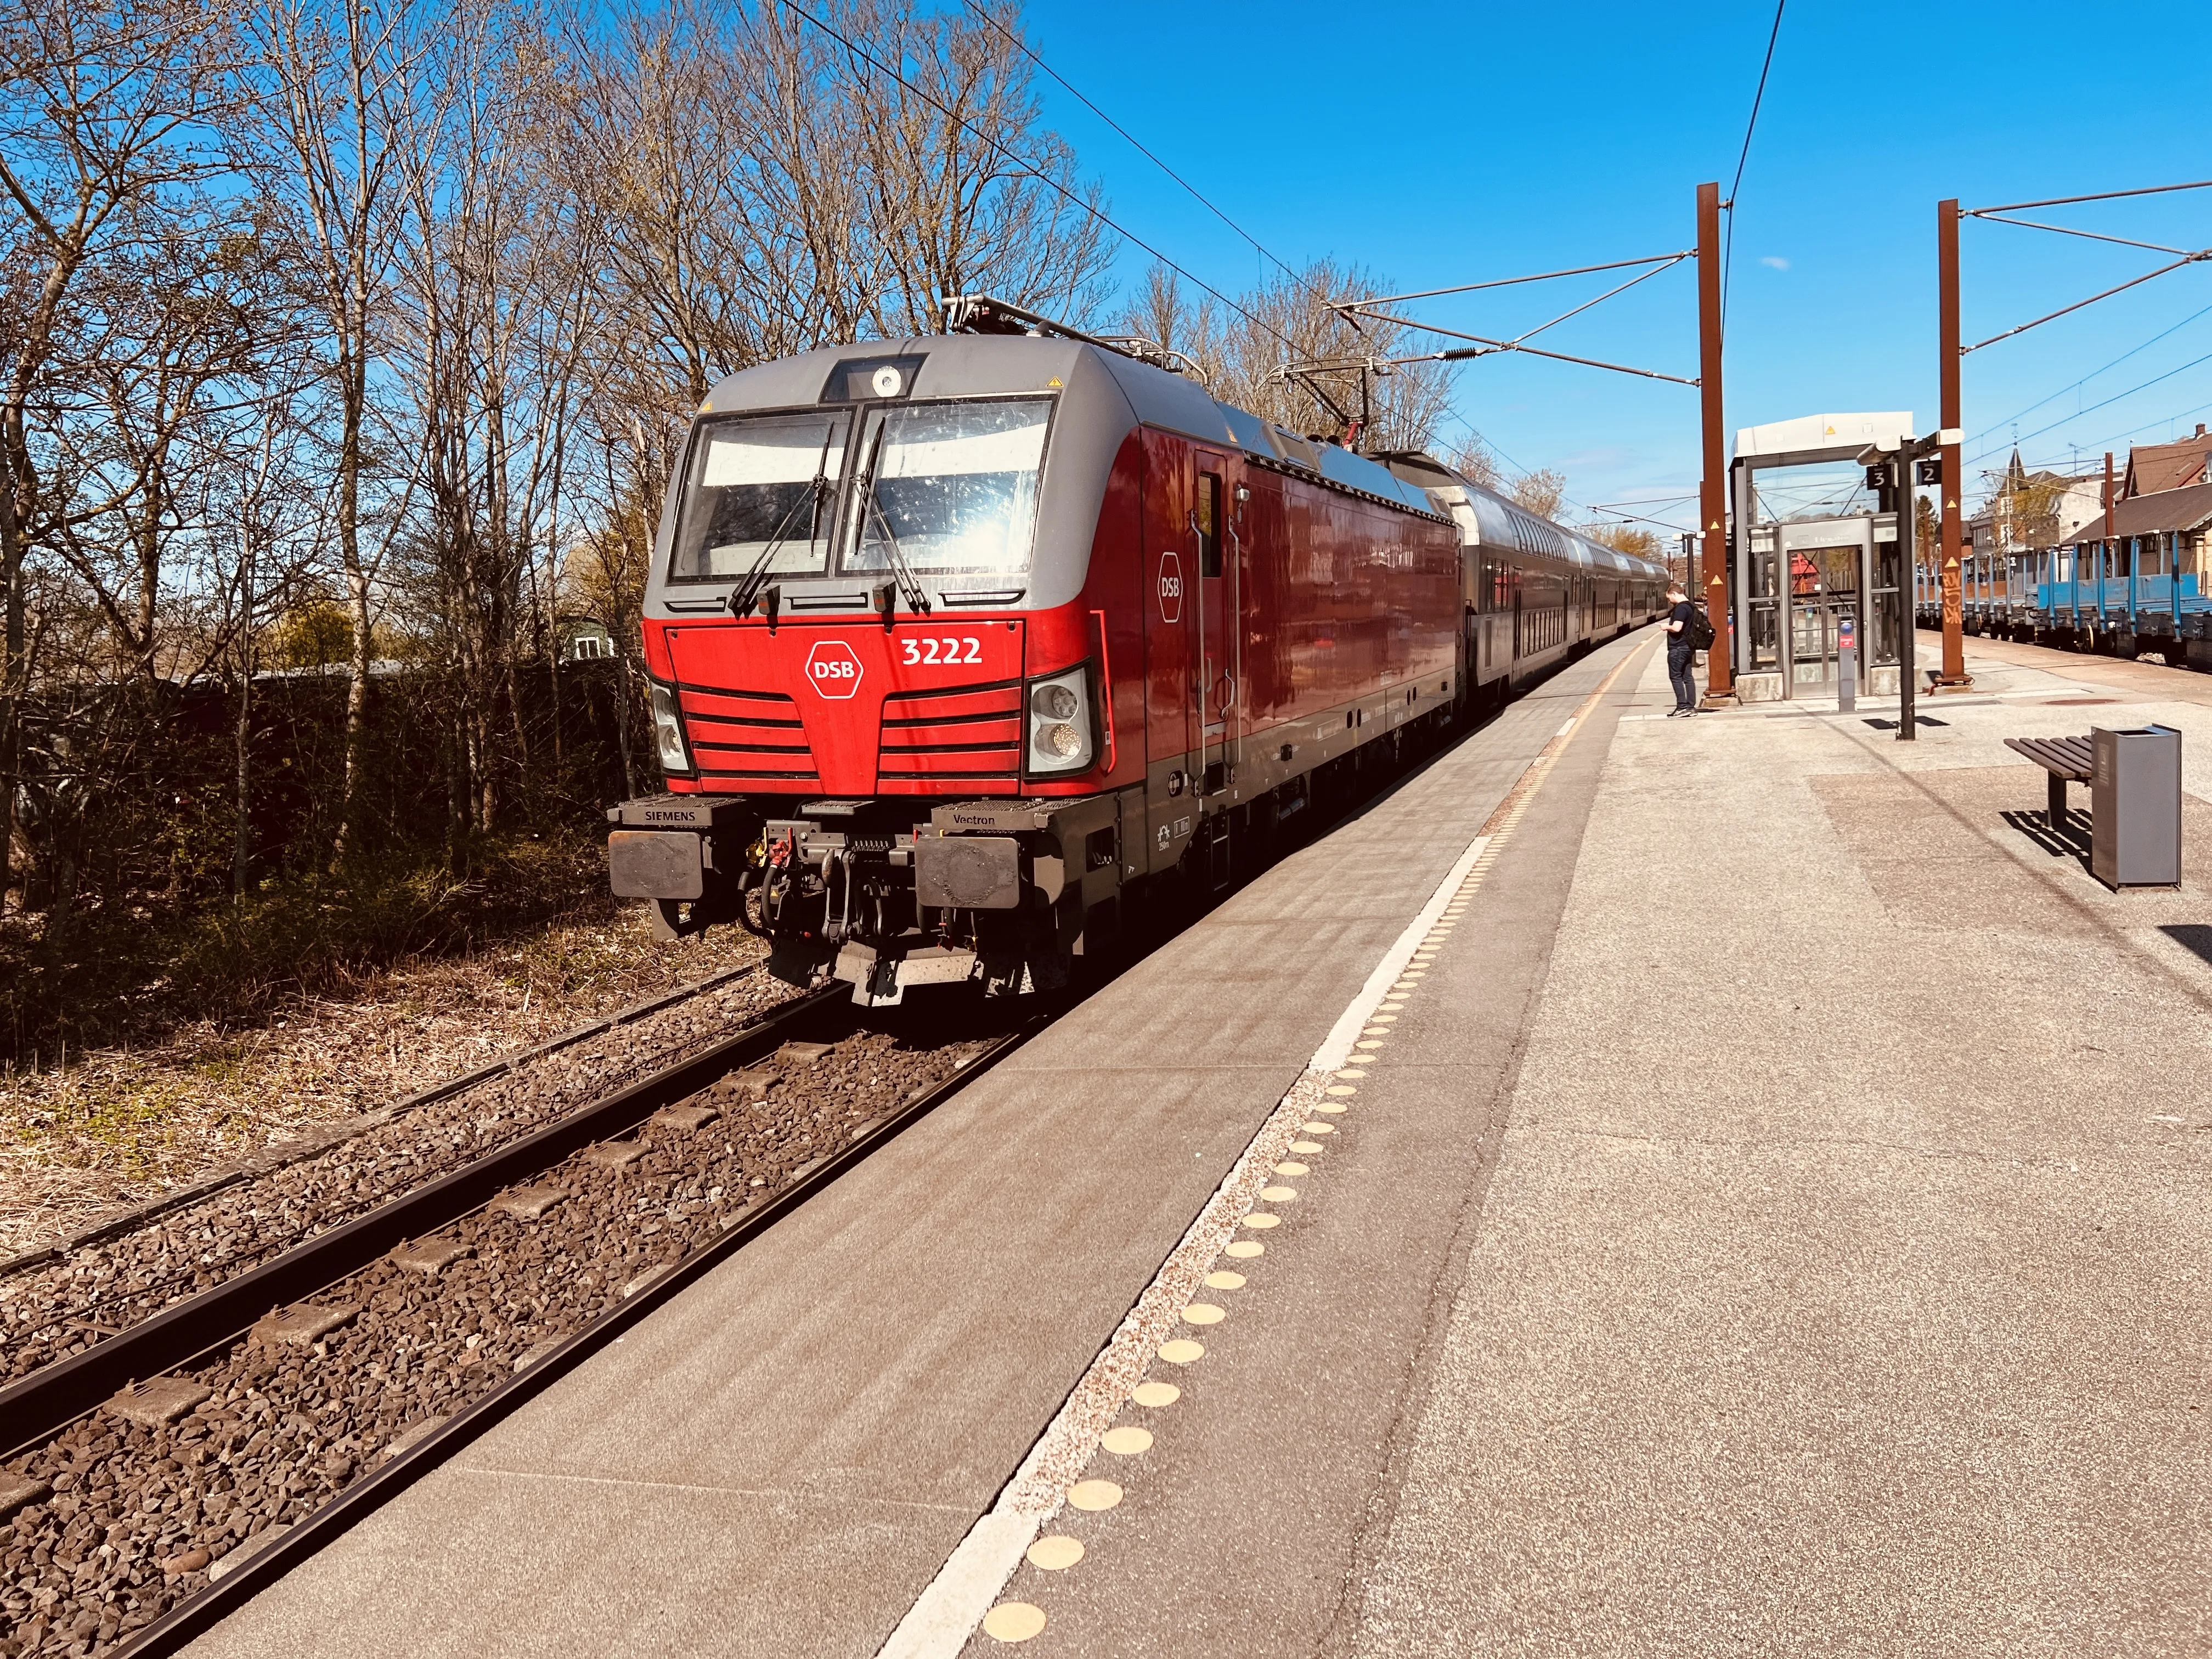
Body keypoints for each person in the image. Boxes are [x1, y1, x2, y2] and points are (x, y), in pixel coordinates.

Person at [1663, 582, 1699, 716]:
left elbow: (1677, 628)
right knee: (1687, 677)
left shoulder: (1681, 609)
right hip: (1688, 647)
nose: (1670, 601)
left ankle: (1682, 707)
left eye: (1669, 598)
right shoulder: (1691, 606)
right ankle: (1690, 707)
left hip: (1678, 647)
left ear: (1674, 593)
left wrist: (1666, 626)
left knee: (1676, 677)